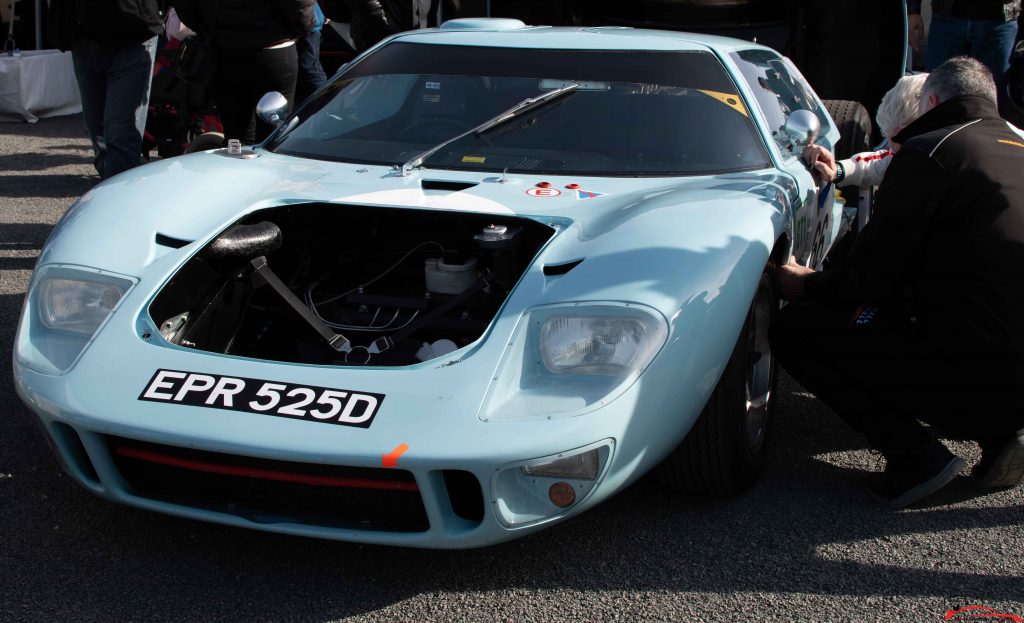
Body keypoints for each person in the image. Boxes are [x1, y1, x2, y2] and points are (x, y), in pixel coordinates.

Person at [772, 56, 1024, 508]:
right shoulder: (1016, 147)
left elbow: (870, 279)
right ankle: (1004, 435)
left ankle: (915, 457)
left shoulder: (933, 152)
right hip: (1008, 364)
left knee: (796, 329)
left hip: (978, 376)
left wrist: (806, 285)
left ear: (931, 100)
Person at [48, 0, 163, 179]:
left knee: (120, 129)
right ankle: (109, 182)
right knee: (96, 126)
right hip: (83, 36)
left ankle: (118, 190)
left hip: (131, 34)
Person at [174, 0, 315, 144]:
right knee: (271, 137)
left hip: (229, 48)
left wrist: (211, 30)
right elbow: (300, 11)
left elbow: (185, 8)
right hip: (270, 49)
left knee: (239, 138)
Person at [805, 74, 929, 189]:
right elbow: (877, 165)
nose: (894, 148)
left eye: (901, 139)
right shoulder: (905, 157)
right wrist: (837, 169)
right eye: (889, 137)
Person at [907, 0, 1020, 113]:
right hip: (947, 18)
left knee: (995, 100)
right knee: (935, 93)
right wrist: (912, 10)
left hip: (999, 20)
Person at [296, 2, 329, 105]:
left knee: (310, 69)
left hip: (306, 24)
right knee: (309, 68)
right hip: (308, 20)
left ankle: (325, 105)